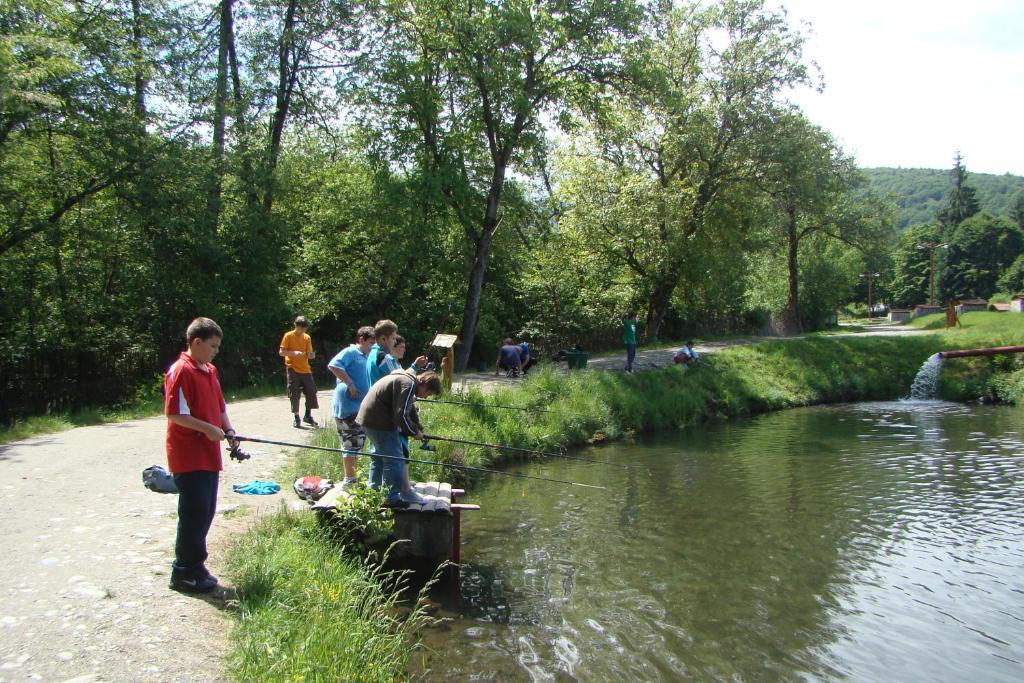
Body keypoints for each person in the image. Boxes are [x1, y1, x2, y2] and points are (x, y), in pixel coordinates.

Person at [164, 317, 239, 593]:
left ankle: (196, 565)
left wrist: (228, 430)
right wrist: (208, 429)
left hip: (208, 453)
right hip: (188, 454)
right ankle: (182, 571)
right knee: (193, 513)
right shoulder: (181, 370)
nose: (216, 351)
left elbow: (220, 407)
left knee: (206, 511)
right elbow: (175, 413)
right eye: (212, 346)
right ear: (196, 342)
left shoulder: (209, 370)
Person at [356, 369, 443, 508]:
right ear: (424, 384)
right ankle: (392, 498)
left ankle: (373, 492)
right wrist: (413, 432)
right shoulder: (408, 385)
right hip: (379, 422)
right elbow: (401, 415)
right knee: (396, 460)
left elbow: (409, 409)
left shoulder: (405, 379)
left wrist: (418, 427)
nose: (426, 397)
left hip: (367, 419)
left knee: (378, 458)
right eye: (429, 393)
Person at [327, 326, 375, 490]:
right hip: (348, 406)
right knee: (350, 442)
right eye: (370, 342)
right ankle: (349, 481)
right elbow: (334, 365)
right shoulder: (352, 352)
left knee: (357, 441)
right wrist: (350, 384)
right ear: (361, 339)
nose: (372, 345)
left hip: (359, 407)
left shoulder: (366, 355)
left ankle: (353, 479)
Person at [279, 316, 319, 428]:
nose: (303, 331)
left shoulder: (307, 337)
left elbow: (310, 354)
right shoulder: (288, 336)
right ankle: (296, 418)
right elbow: (281, 352)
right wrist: (293, 353)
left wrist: (311, 355)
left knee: (311, 391)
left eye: (304, 329)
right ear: (296, 326)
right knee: (294, 393)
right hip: (292, 368)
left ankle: (308, 415)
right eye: (301, 328)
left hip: (306, 369)